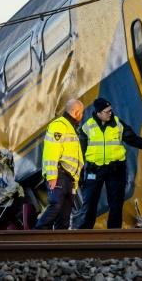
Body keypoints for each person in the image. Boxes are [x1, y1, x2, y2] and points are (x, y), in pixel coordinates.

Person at [76, 97, 142, 229]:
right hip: (94, 171)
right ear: (98, 113)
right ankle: (84, 235)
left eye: (110, 110)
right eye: (107, 112)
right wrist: (78, 175)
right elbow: (80, 153)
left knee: (116, 204)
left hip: (115, 170)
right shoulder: (86, 128)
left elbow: (135, 140)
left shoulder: (118, 124)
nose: (110, 113)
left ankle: (113, 236)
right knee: (89, 203)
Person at [34, 98, 84, 230]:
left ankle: (59, 244)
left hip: (69, 179)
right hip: (60, 175)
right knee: (56, 205)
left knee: (64, 216)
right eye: (81, 112)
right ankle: (38, 234)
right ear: (76, 111)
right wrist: (51, 176)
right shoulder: (60, 125)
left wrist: (75, 181)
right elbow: (51, 151)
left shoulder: (70, 128)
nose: (82, 116)